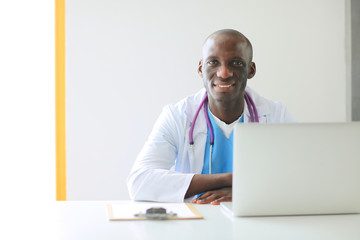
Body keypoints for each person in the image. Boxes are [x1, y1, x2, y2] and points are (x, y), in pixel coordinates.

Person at [127, 29, 297, 205]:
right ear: (201, 68)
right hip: (195, 222)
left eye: (236, 63)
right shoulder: (177, 116)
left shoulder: (276, 115)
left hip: (256, 221)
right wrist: (232, 180)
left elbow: (307, 176)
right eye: (213, 62)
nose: (224, 73)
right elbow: (140, 182)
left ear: (251, 70)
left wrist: (244, 191)